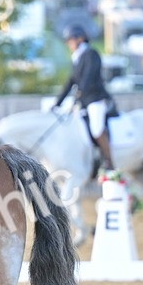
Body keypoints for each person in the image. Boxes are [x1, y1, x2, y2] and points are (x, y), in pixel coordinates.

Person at [53, 24, 114, 173]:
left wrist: (79, 93)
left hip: (96, 99)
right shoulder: (77, 57)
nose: (69, 44)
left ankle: (109, 161)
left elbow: (89, 76)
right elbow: (71, 81)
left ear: (80, 39)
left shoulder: (91, 54)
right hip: (84, 101)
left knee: (96, 129)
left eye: (71, 40)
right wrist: (57, 103)